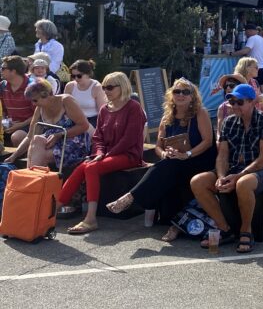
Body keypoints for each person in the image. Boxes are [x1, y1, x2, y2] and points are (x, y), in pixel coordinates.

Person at [106, 79, 215, 241]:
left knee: (169, 168)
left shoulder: (200, 113)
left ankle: (131, 197)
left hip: (199, 160)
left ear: (193, 96)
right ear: (172, 94)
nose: (181, 95)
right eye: (177, 91)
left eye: (186, 92)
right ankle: (175, 225)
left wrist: (187, 154)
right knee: (168, 166)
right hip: (176, 162)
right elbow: (158, 146)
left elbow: (208, 141)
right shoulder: (167, 117)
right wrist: (165, 154)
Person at [190, 84, 263, 253]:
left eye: (239, 102)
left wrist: (238, 176)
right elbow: (222, 155)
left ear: (252, 102)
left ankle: (246, 231)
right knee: (198, 181)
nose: (235, 106)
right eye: (232, 102)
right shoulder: (227, 122)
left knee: (243, 183)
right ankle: (224, 229)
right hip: (234, 168)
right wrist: (222, 176)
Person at [58, 72, 146, 235]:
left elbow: (129, 139)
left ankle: (91, 219)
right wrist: (100, 152)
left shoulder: (134, 108)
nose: (106, 90)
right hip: (107, 154)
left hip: (129, 155)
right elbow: (98, 137)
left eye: (110, 87)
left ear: (123, 87)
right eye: (104, 87)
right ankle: (55, 208)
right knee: (83, 167)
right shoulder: (105, 109)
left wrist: (105, 154)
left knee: (90, 168)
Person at [5, 79, 90, 172]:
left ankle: (31, 180)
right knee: (37, 138)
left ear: (46, 95)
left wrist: (59, 135)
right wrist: (14, 156)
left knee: (40, 156)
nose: (33, 103)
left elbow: (84, 125)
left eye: (35, 100)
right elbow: (30, 136)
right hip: (51, 142)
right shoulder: (40, 108)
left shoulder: (66, 100)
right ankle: (33, 178)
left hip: (73, 141)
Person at [3, 55, 36, 147]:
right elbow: (2, 110)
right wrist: (5, 122)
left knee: (17, 137)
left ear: (13, 71)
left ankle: (22, 160)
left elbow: (39, 114)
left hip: (30, 124)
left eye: (3, 68)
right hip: (9, 124)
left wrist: (20, 125)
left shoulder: (32, 87)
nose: (0, 71)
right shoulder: (2, 86)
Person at [63, 59, 106, 128]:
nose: (76, 79)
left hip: (92, 121)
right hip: (73, 120)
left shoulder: (96, 87)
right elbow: (64, 107)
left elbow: (102, 112)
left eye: (79, 76)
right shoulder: (70, 86)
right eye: (73, 76)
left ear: (88, 74)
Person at [232, 23, 263, 88]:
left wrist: (232, 53)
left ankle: (253, 98)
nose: (245, 35)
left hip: (255, 67)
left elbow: (246, 50)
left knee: (253, 86)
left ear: (249, 31)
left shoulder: (252, 38)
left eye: (246, 32)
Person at [216, 73, 247, 138]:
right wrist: (220, 142)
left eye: (231, 85)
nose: (228, 88)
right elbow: (219, 132)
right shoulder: (222, 107)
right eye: (225, 86)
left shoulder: (247, 104)